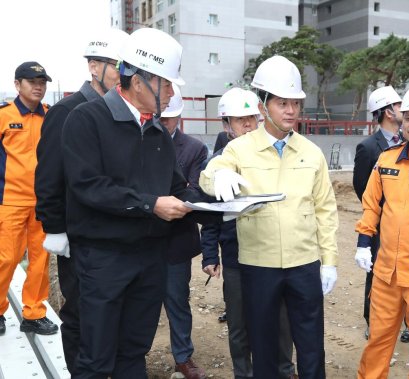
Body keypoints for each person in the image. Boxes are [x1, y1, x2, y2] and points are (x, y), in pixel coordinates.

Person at [60, 27, 219, 378]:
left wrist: (221, 204)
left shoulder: (159, 133)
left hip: (149, 260)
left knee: (134, 353)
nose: (171, 92)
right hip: (104, 261)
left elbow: (178, 189)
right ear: (138, 80)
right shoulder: (87, 120)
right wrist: (151, 204)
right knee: (97, 358)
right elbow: (90, 187)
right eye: (165, 84)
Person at [199, 55, 339, 379]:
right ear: (262, 105)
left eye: (296, 103)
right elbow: (210, 174)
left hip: (304, 264)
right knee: (262, 347)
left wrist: (329, 260)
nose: (291, 110)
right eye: (281, 103)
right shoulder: (240, 149)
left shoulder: (311, 152)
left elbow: (325, 210)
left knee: (311, 347)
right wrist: (217, 177)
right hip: (258, 266)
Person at [34, 27, 129, 374]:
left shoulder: (118, 112)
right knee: (79, 315)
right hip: (77, 236)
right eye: (119, 66)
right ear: (93, 66)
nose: (125, 75)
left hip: (111, 237)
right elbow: (48, 177)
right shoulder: (68, 111)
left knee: (111, 317)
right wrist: (55, 227)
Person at [201, 87, 297, 379]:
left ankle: (284, 370)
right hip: (235, 258)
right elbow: (210, 216)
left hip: (274, 254)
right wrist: (210, 254)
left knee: (281, 321)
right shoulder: (218, 164)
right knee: (239, 324)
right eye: (239, 120)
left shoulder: (274, 153)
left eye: (251, 118)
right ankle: (243, 373)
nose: (247, 125)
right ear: (225, 124)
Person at [355, 87, 409, 379]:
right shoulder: (386, 160)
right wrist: (363, 242)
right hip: (386, 272)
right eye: (407, 117)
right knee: (379, 339)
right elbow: (370, 205)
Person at [0, 61, 57, 336]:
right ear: (17, 84)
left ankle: (34, 313)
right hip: (9, 201)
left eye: (42, 82)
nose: (38, 86)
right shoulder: (4, 115)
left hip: (43, 202)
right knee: (7, 258)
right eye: (32, 81)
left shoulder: (51, 116)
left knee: (40, 259)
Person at [352, 85, 409, 341]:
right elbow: (362, 187)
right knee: (375, 272)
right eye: (399, 106)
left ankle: (408, 322)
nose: (404, 111)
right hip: (380, 225)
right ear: (388, 111)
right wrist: (379, 215)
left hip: (406, 226)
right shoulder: (368, 147)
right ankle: (372, 320)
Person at [160, 84, 209, 379]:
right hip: (139, 240)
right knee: (141, 303)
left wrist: (164, 201)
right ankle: (132, 357)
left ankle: (183, 356)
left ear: (178, 117)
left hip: (176, 241)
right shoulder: (138, 139)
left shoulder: (194, 149)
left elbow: (196, 192)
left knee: (177, 300)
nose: (163, 124)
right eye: (160, 118)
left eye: (169, 119)